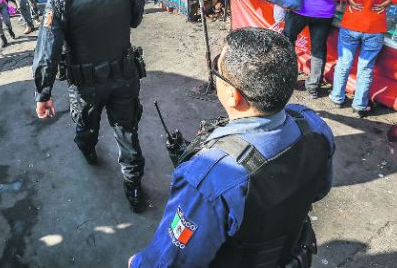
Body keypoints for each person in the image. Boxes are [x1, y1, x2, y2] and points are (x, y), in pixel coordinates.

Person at [129, 28, 335, 267]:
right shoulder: (312, 125)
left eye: (218, 67)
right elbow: (319, 190)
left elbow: (170, 261)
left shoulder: (208, 179)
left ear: (234, 95)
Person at [33, 0, 148, 212]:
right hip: (123, 77)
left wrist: (43, 93)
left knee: (86, 126)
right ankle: (133, 187)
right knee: (127, 130)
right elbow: (136, 19)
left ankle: (89, 152)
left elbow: (48, 48)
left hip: (86, 85)